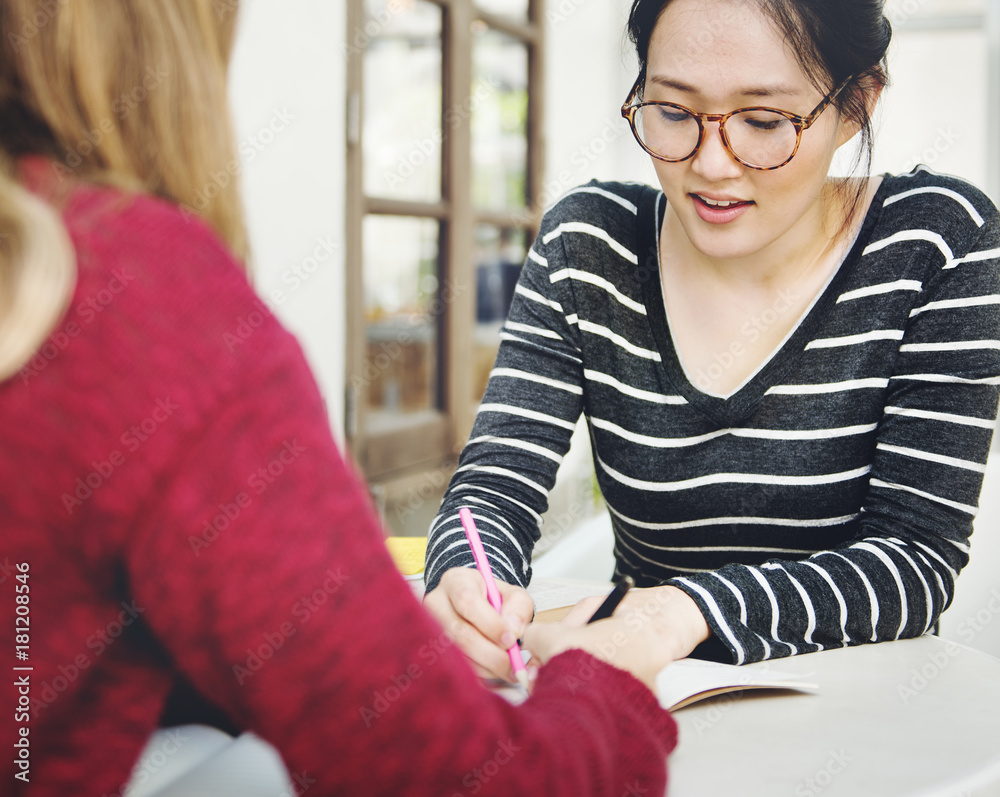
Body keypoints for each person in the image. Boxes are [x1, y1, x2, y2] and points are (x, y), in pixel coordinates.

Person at [0, 2, 679, 795]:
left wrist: (353, 634)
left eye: (764, 121)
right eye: (672, 112)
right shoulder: (135, 296)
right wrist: (603, 678)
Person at [424, 0, 1000, 681]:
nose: (712, 164)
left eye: (762, 121)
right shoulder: (588, 246)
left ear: (856, 103)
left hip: (861, 712)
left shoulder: (937, 244)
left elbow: (913, 562)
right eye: (673, 111)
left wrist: (676, 615)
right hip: (638, 700)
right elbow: (492, 489)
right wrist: (467, 581)